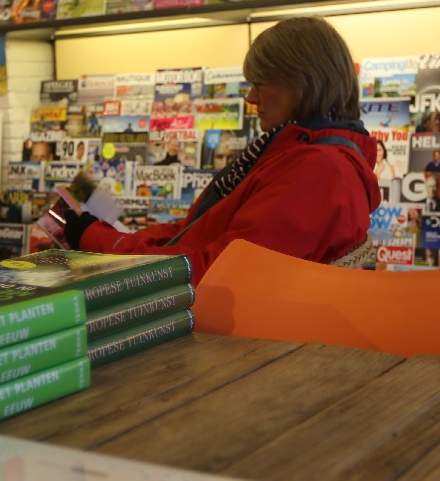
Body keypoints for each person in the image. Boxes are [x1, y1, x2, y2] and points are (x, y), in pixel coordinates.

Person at [57, 17, 381, 284]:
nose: (251, 98)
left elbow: (219, 272)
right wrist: (105, 238)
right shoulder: (302, 155)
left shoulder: (318, 170)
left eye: (259, 83)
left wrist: (99, 242)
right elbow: (195, 235)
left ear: (301, 83)